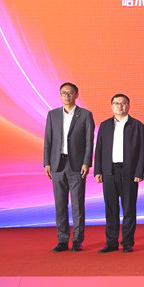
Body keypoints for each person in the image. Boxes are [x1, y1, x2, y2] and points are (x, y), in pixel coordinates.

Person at [44, 82, 94, 252]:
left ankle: (78, 240)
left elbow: (89, 141)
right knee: (60, 204)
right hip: (57, 165)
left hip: (77, 166)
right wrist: (47, 162)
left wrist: (86, 162)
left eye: (70, 93)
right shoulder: (52, 114)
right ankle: (62, 240)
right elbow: (48, 140)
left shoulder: (85, 115)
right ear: (60, 95)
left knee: (78, 205)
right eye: (63, 93)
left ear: (76, 95)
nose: (66, 96)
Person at [94, 94, 144, 253]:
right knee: (111, 209)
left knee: (129, 208)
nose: (120, 106)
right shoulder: (105, 125)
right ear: (111, 106)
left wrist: (139, 172)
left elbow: (142, 151)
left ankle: (127, 243)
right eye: (116, 103)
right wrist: (98, 170)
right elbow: (99, 149)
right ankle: (111, 242)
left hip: (129, 173)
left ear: (128, 105)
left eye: (123, 103)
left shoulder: (137, 125)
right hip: (109, 172)